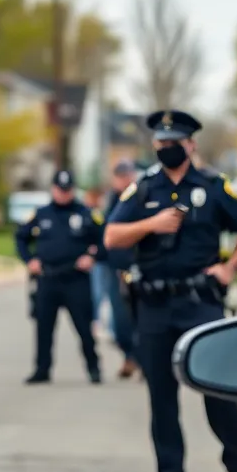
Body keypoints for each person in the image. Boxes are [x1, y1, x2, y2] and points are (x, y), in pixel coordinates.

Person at [105, 110, 237, 472]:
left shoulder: (212, 186)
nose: (166, 149)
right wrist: (151, 224)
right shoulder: (143, 189)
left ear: (191, 145)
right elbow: (112, 236)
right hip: (155, 306)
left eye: (173, 143)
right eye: (160, 143)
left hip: (200, 303)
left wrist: (231, 267)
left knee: (217, 391)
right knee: (161, 398)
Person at [16, 169, 103, 385]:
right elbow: (21, 238)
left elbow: (105, 239)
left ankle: (93, 367)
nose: (63, 194)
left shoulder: (86, 214)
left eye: (67, 190)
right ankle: (42, 369)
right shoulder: (41, 214)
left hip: (76, 278)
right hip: (48, 277)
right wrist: (30, 260)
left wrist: (92, 256)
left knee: (84, 327)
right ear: (53, 189)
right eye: (59, 189)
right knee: (44, 327)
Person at [96, 159, 139, 379]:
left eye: (126, 175)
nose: (123, 180)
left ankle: (143, 361)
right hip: (115, 268)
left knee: (140, 317)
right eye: (120, 176)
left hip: (138, 267)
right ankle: (129, 356)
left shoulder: (141, 198)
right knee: (120, 318)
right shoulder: (111, 201)